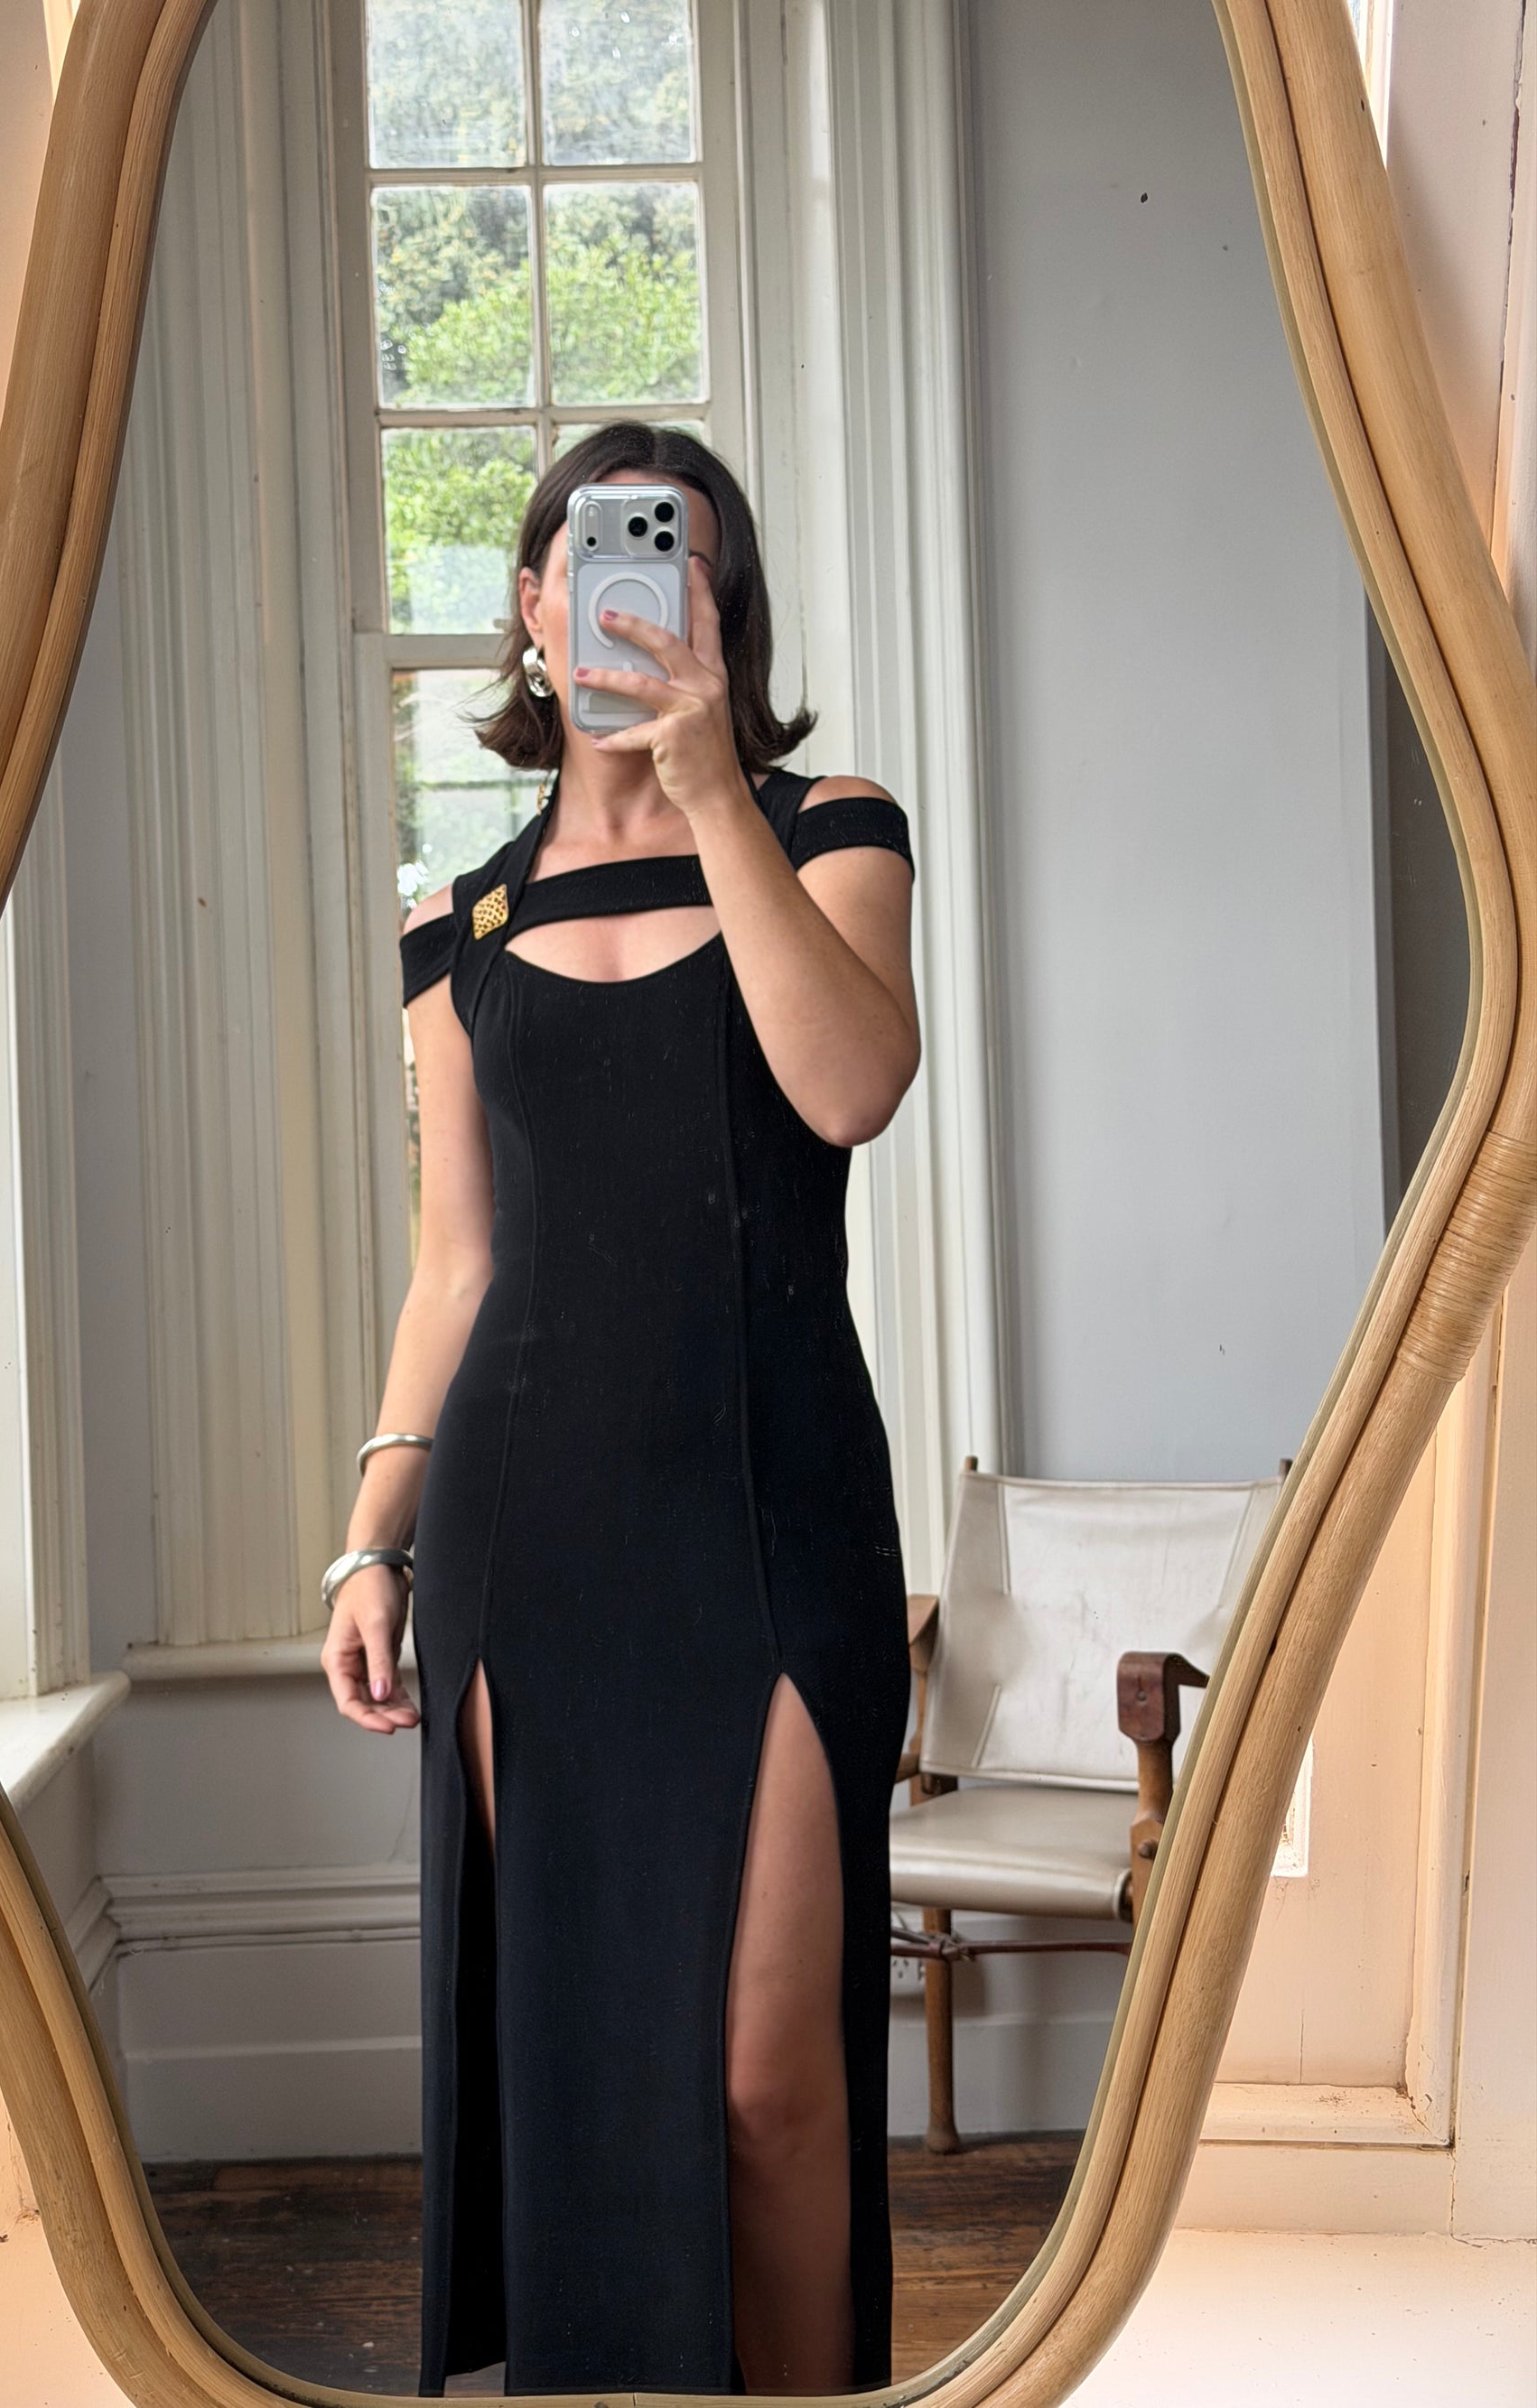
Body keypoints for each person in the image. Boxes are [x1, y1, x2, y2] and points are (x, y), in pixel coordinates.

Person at [321, 423, 919, 2398]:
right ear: (531, 601)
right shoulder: (458, 924)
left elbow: (849, 1087)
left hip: (772, 1507)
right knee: (578, 2079)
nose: (644, 594)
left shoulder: (829, 830)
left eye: (686, 566)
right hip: (532, 1535)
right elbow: (455, 1264)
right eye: (596, 561)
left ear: (727, 611)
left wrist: (706, 781)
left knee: (766, 2082)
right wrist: (369, 1540)